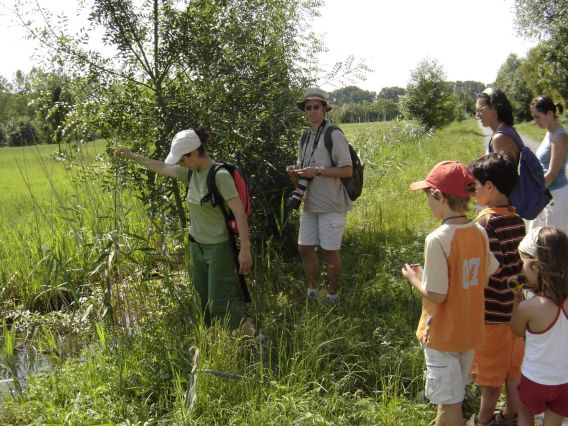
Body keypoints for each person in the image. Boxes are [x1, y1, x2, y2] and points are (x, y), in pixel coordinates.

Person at [114, 127, 258, 338]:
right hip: (196, 247)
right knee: (202, 303)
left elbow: (239, 213)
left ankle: (256, 339)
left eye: (182, 159)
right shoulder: (191, 172)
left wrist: (245, 248)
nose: (180, 164)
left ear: (193, 153)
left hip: (219, 249)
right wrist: (132, 156)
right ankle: (209, 345)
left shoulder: (220, 176)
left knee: (220, 305)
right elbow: (162, 167)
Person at [402, 161, 499, 426]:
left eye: (428, 196)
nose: (428, 203)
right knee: (452, 397)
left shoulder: (437, 239)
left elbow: (437, 294)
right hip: (469, 331)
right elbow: (491, 268)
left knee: (450, 402)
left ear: (438, 195)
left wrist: (415, 278)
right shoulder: (479, 231)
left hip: (443, 335)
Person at [468, 153, 526, 426]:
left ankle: (483, 421)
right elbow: (518, 268)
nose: (471, 191)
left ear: (489, 187)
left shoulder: (486, 224)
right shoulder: (516, 219)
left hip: (491, 315)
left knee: (489, 379)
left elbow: (491, 269)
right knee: (513, 373)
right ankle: (510, 415)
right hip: (515, 312)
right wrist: (516, 293)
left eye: (474, 185)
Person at [286, 88, 353, 304]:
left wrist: (319, 171)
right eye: (308, 107)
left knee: (329, 251)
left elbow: (347, 170)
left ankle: (333, 295)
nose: (312, 111)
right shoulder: (305, 136)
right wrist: (295, 170)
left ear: (324, 109)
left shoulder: (333, 134)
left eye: (317, 106)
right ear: (304, 111)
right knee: (304, 247)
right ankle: (312, 291)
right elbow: (306, 167)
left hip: (332, 203)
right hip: (310, 203)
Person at [511, 227, 568, 425]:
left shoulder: (529, 307)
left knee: (525, 413)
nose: (521, 268)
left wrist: (517, 298)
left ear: (535, 266)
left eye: (523, 262)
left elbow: (517, 331)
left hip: (535, 380)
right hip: (565, 381)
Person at [528, 96, 568, 234]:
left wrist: (532, 194)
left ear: (550, 114)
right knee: (537, 237)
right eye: (534, 117)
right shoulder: (550, 133)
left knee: (555, 242)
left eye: (538, 117)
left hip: (556, 196)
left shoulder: (560, 136)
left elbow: (552, 173)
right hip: (545, 193)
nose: (535, 121)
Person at [476, 88, 521, 164]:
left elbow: (501, 175)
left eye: (480, 110)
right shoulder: (505, 130)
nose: (477, 115)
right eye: (476, 111)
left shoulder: (501, 138)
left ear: (494, 108)